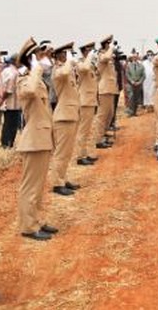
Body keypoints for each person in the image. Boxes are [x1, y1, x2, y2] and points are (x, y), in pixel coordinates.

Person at [15, 37, 59, 242]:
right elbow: (29, 92)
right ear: (31, 59)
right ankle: (28, 226)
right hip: (33, 139)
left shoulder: (37, 79)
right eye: (40, 56)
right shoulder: (24, 79)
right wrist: (35, 69)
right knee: (30, 186)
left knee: (39, 186)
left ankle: (37, 220)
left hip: (42, 138)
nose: (45, 59)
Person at [49, 42, 81, 196]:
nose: (67, 56)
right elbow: (64, 70)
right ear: (58, 56)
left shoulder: (67, 70)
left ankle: (63, 178)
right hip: (63, 116)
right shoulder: (58, 70)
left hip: (71, 114)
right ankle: (57, 183)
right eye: (64, 54)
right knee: (61, 152)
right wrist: (68, 60)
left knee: (68, 152)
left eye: (67, 54)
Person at [76, 41, 99, 165]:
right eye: (89, 51)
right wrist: (90, 57)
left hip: (90, 100)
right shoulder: (81, 63)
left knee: (88, 129)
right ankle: (80, 156)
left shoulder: (90, 64)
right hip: (84, 101)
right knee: (83, 130)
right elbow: (83, 68)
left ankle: (85, 153)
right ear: (85, 51)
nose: (92, 53)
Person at [93, 35, 118, 149]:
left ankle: (103, 133)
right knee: (102, 115)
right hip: (104, 89)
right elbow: (105, 58)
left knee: (110, 113)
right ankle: (98, 139)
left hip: (110, 88)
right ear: (106, 44)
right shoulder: (101, 55)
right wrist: (111, 48)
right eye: (110, 44)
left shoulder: (108, 56)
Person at [0, 54, 21, 149]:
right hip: (12, 103)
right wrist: (3, 99)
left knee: (6, 124)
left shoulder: (5, 71)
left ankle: (4, 143)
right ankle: (8, 144)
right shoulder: (14, 73)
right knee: (11, 126)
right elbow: (9, 90)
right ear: (16, 61)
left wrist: (0, 99)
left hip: (6, 103)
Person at [125, 51, 146, 116]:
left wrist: (139, 82)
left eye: (136, 57)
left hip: (138, 84)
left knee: (136, 98)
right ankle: (130, 111)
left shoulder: (141, 66)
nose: (134, 58)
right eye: (133, 57)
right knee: (131, 97)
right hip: (130, 84)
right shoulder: (128, 66)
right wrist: (131, 81)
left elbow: (143, 75)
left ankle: (134, 112)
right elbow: (127, 74)